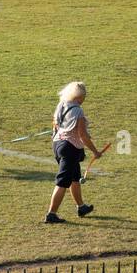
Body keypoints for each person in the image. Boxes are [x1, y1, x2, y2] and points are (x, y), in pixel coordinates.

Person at [45, 81, 102, 224]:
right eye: (83, 97)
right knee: (63, 182)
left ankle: (81, 207)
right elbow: (82, 135)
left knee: (75, 178)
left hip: (58, 144)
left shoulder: (61, 105)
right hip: (70, 148)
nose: (84, 100)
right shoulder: (78, 111)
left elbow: (55, 125)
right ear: (78, 97)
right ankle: (51, 214)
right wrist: (95, 151)